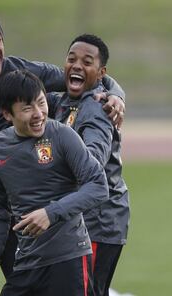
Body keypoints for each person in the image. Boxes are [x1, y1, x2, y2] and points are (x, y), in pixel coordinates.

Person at [0, 8, 125, 296]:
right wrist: (14, 167)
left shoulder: (23, 76)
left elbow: (81, 75)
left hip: (22, 210)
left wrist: (116, 94)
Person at [0, 70, 109, 295]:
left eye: (41, 103)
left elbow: (98, 185)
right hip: (27, 262)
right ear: (7, 114)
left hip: (68, 259)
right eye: (27, 108)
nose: (38, 114)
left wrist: (51, 212)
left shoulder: (62, 136)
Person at [47, 34, 130, 296]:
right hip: (79, 220)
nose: (77, 65)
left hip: (99, 221)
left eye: (87, 61)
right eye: (71, 59)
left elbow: (93, 162)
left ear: (101, 73)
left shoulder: (99, 107)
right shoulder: (62, 102)